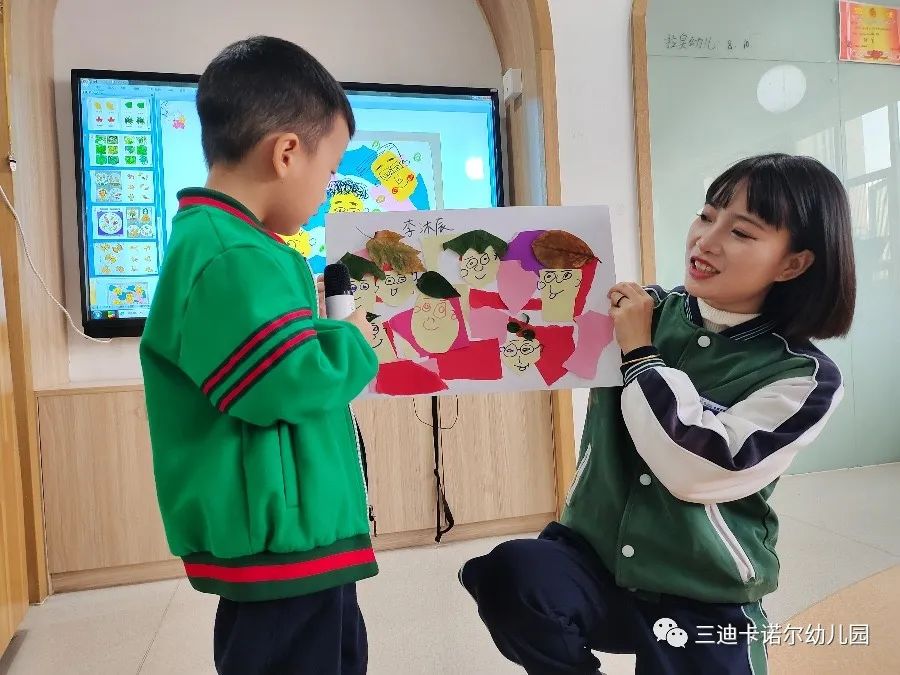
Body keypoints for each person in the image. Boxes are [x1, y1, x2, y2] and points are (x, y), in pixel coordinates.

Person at [459, 154, 856, 675]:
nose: (706, 240)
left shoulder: (802, 375)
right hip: (594, 561)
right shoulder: (635, 310)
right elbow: (508, 324)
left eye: (741, 232)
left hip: (702, 587)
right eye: (706, 216)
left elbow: (699, 470)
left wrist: (640, 354)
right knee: (513, 576)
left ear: (793, 264)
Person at [140, 36, 378, 675]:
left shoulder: (236, 243)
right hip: (280, 547)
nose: (326, 191)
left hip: (295, 537)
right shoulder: (232, 254)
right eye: (330, 172)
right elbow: (285, 380)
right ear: (286, 152)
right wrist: (355, 339)